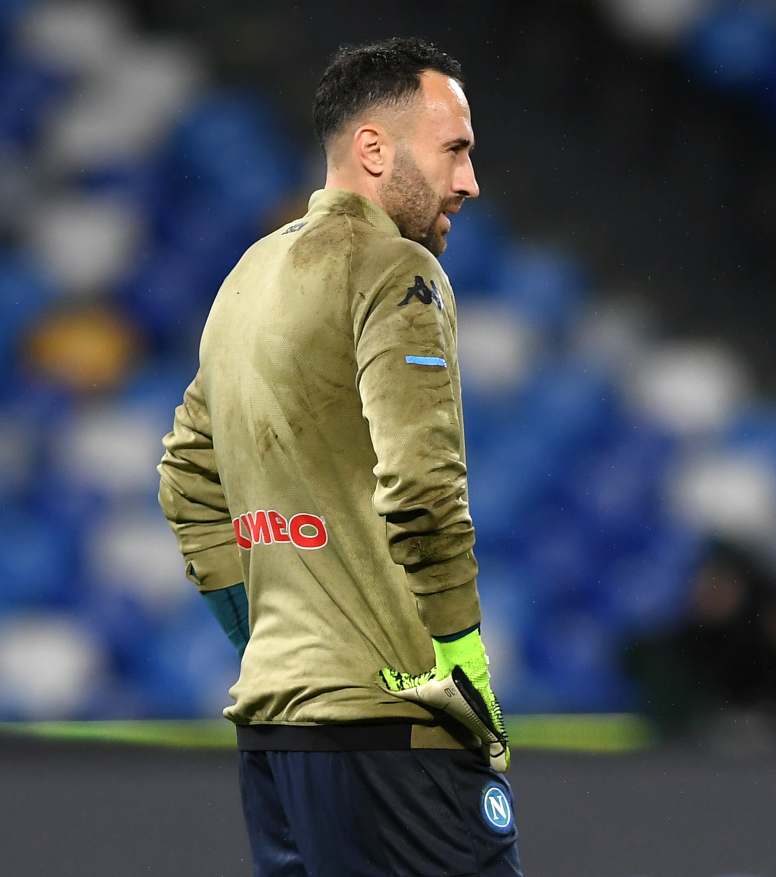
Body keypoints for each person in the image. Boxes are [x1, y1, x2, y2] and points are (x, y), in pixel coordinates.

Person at [156, 37, 522, 876]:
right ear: (373, 148)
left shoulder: (246, 278)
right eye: (455, 150)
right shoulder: (396, 271)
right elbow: (424, 486)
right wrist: (461, 655)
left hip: (276, 738)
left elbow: (185, 475)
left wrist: (255, 634)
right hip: (389, 724)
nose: (469, 181)